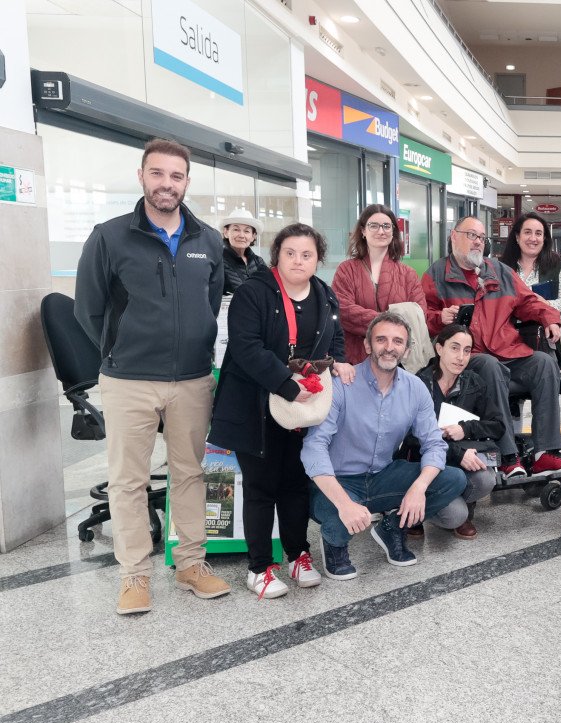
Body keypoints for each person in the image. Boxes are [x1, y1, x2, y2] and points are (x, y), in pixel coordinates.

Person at [74, 138, 229, 614]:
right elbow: (88, 309)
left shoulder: (207, 240)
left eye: (176, 176)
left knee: (190, 474)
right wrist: (119, 352)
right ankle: (135, 576)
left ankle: (191, 565)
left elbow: (210, 303)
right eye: (158, 173)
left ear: (187, 181)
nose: (167, 184)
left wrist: (196, 349)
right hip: (129, 380)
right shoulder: (109, 236)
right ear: (142, 176)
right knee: (128, 481)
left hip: (191, 379)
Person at [209, 223, 353, 598]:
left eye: (307, 254)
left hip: (302, 408)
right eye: (290, 253)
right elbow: (245, 346)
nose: (298, 260)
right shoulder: (253, 292)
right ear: (277, 255)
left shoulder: (324, 294)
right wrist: (288, 386)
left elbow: (334, 338)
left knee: (294, 484)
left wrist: (335, 363)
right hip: (255, 404)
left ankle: (298, 555)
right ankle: (259, 568)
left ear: (318, 259)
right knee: (260, 487)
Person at [301, 312, 467, 579]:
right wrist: (345, 503)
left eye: (398, 341)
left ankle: (392, 528)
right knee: (337, 510)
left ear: (407, 349)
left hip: (382, 476)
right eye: (381, 339)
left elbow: (434, 445)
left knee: (453, 479)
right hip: (339, 479)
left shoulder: (416, 389)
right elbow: (314, 447)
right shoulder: (342, 385)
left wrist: (418, 488)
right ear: (368, 345)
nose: (389, 347)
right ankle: (334, 542)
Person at [423, 216, 561, 479]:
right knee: (488, 364)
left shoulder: (497, 270)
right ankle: (509, 456)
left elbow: (529, 301)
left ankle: (544, 453)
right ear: (453, 235)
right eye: (471, 235)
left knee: (544, 362)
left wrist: (550, 317)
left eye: (481, 238)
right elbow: (421, 318)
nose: (477, 242)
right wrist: (440, 318)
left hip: (507, 351)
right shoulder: (437, 274)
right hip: (467, 359)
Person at [402, 325, 504, 540]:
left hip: (459, 464)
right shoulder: (420, 384)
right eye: (454, 348)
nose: (461, 357)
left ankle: (462, 506)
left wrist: (465, 428)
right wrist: (457, 453)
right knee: (453, 516)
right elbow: (411, 439)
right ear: (439, 348)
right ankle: (417, 512)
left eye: (467, 351)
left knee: (487, 479)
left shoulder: (473, 382)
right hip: (425, 466)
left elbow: (497, 426)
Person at [332, 204, 427, 366]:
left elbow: (419, 316)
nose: (381, 231)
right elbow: (343, 311)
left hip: (397, 361)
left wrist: (382, 324)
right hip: (355, 358)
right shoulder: (346, 270)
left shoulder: (408, 274)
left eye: (386, 226)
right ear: (363, 231)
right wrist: (390, 322)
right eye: (373, 226)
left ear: (393, 232)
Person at [499, 211, 561, 312]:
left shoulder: (557, 264)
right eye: (527, 232)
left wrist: (545, 304)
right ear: (517, 237)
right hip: (507, 326)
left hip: (542, 326)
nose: (533, 238)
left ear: (544, 238)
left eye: (538, 233)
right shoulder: (503, 267)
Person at [219, 207, 268, 295]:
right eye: (236, 229)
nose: (241, 235)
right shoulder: (217, 260)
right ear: (226, 232)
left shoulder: (259, 262)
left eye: (247, 231)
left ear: (253, 236)